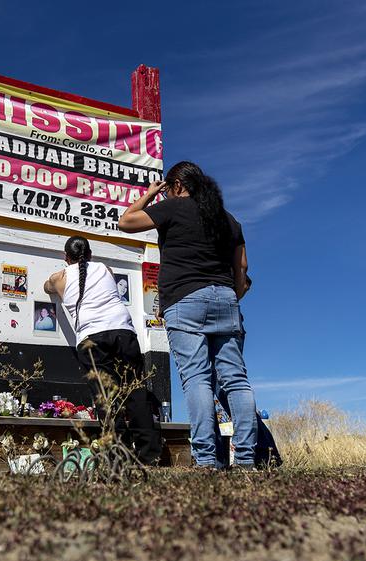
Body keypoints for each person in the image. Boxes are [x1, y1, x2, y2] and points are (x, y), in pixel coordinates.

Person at [119, 161, 256, 470]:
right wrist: (231, 297)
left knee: (197, 378)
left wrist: (150, 194)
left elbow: (125, 222)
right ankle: (247, 459)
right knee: (236, 380)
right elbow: (243, 267)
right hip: (225, 298)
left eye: (168, 188)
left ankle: (208, 460)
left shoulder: (173, 208)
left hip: (184, 298)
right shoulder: (229, 220)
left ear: (177, 186)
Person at [44, 236, 162, 465]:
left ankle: (119, 454)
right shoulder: (105, 269)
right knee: (136, 393)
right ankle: (149, 454)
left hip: (91, 338)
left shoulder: (59, 278)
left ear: (65, 257)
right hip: (123, 331)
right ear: (90, 254)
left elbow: (47, 286)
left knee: (107, 398)